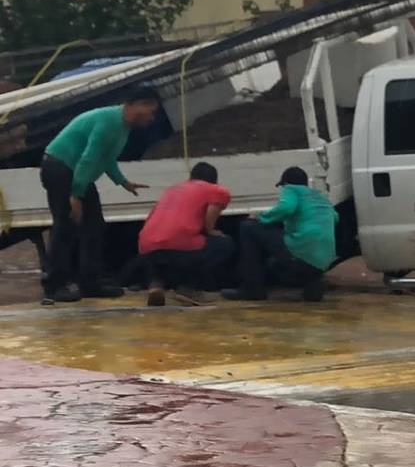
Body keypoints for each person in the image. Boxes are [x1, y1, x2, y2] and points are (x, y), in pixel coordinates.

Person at [40, 85, 160, 303]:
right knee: (65, 225)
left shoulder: (122, 126)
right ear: (137, 104)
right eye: (151, 111)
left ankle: (90, 282)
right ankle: (54, 285)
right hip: (61, 167)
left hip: (76, 172)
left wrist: (122, 182)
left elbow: (106, 158)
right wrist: (75, 194)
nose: (152, 118)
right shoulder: (109, 121)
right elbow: (89, 157)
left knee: (94, 225)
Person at [222, 166, 338, 302]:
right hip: (323, 260)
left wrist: (261, 217)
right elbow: (335, 217)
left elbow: (287, 207)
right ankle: (313, 285)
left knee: (248, 227)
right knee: (298, 246)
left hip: (301, 253)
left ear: (286, 184)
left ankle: (252, 288)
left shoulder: (291, 189)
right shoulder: (319, 196)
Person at [136, 161, 236, 307]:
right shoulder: (217, 190)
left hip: (146, 245)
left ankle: (156, 285)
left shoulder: (172, 190)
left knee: (161, 250)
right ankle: (188, 288)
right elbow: (210, 219)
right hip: (180, 245)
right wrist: (211, 230)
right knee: (224, 244)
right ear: (214, 179)